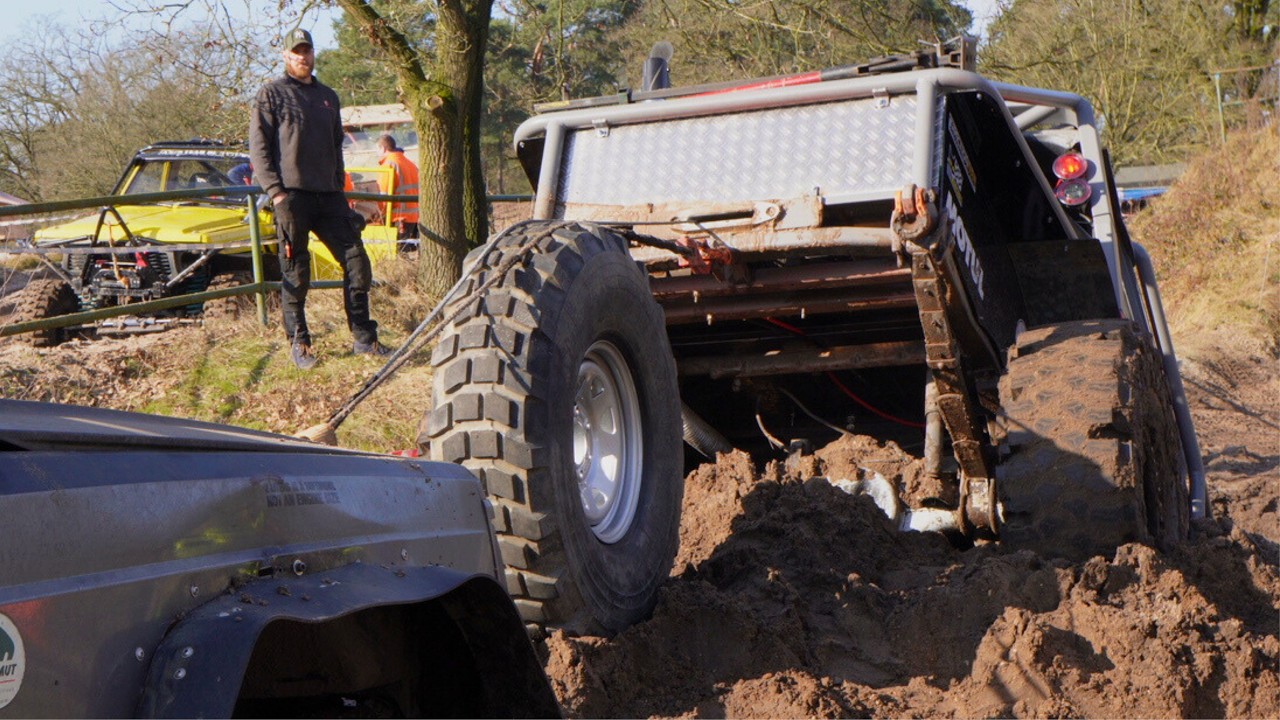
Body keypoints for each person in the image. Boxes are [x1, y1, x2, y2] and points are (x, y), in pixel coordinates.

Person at [249, 28, 390, 369]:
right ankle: (300, 343)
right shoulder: (271, 94)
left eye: (307, 50)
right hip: (292, 197)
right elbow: (259, 148)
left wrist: (339, 186)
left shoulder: (328, 96)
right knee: (296, 273)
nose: (303, 57)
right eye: (296, 52)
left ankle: (364, 338)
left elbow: (335, 146)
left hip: (329, 197)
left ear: (313, 53)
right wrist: (276, 193)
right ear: (286, 56)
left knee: (357, 264)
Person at [376, 134, 419, 239]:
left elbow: (383, 195)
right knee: (407, 249)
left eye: (377, 149)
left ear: (383, 148)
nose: (377, 153)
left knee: (398, 251)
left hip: (398, 217)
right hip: (414, 217)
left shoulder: (388, 165)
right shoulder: (410, 164)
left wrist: (380, 216)